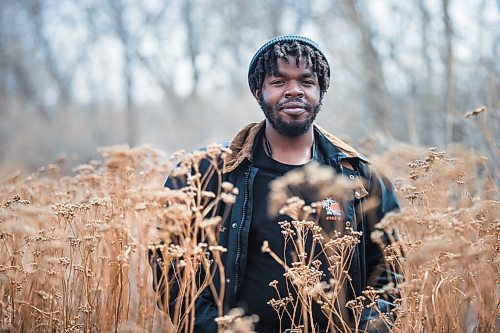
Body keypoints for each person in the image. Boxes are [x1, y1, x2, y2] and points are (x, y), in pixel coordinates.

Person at [151, 35, 400, 333]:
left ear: (320, 92)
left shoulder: (359, 176)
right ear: (258, 91)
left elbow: (389, 274)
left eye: (306, 82)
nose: (294, 91)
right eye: (279, 81)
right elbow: (169, 267)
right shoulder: (206, 173)